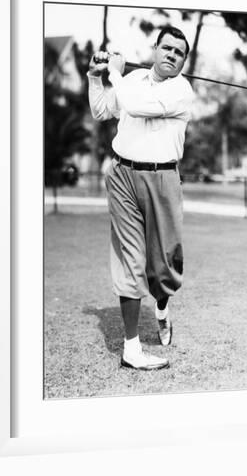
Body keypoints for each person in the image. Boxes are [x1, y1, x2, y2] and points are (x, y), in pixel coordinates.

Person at [87, 26, 194, 370]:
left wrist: (115, 73)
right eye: (166, 48)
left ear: (183, 61)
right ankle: (131, 349)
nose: (171, 55)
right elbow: (103, 111)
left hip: (163, 178)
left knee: (162, 265)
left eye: (179, 53)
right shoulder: (131, 80)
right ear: (156, 48)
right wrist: (95, 78)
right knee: (130, 259)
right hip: (122, 174)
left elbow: (136, 105)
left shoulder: (181, 91)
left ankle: (161, 307)